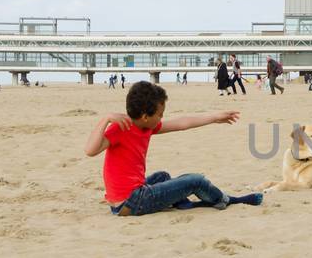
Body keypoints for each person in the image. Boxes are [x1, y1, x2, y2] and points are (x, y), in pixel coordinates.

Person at [84, 80, 264, 216]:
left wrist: (215, 117)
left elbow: (182, 123)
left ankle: (183, 204)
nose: (162, 118)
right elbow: (90, 150)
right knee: (196, 181)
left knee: (163, 176)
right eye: (160, 114)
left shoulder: (145, 126)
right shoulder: (120, 128)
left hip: (129, 197)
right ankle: (227, 200)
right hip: (131, 201)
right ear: (146, 116)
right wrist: (106, 119)